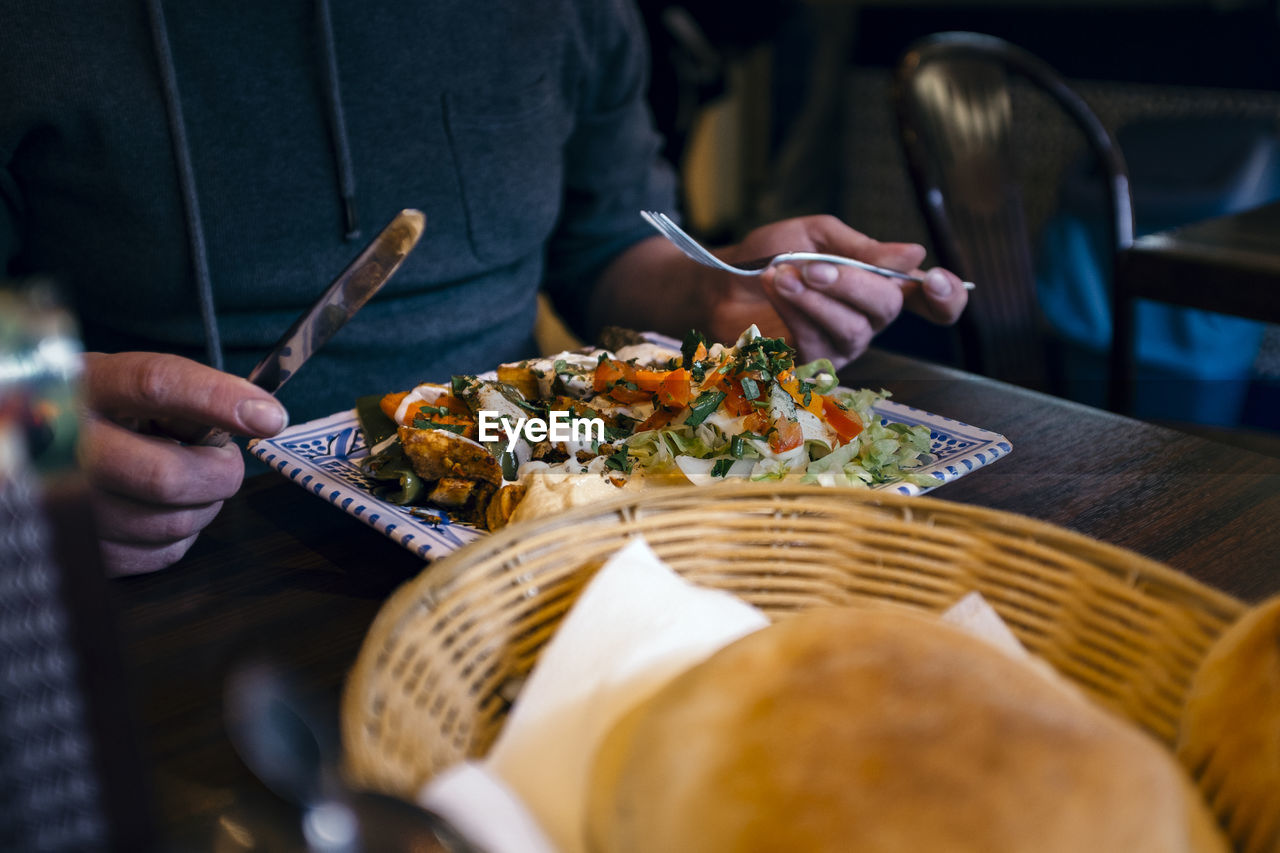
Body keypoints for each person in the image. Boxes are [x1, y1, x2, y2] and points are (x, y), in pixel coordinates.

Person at [1, 0, 967, 575]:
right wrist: (25, 446)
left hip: (536, 531)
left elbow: (601, 252)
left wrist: (718, 298)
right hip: (151, 573)